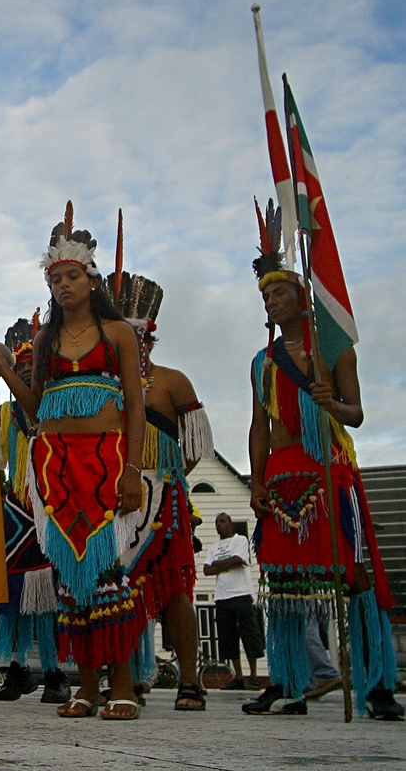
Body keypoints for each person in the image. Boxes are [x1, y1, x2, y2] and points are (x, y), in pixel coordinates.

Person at [0, 204, 145, 720]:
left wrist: (133, 471)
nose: (64, 286)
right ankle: (86, 687)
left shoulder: (118, 335)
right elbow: (34, 411)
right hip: (53, 462)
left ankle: (123, 686)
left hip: (106, 460)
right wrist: (6, 369)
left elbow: (136, 407)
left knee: (109, 573)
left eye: (73, 276)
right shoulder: (47, 339)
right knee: (70, 579)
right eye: (56, 279)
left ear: (92, 281)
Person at [245, 200, 401, 720]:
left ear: (303, 295)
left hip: (330, 471)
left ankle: (378, 684)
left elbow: (355, 415)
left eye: (281, 291)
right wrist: (255, 482)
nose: (272, 301)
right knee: (284, 582)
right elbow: (259, 427)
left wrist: (331, 402)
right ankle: (289, 681)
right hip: (282, 475)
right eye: (266, 295)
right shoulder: (262, 362)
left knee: (355, 577)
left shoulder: (335, 350)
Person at [103, 262, 213, 712]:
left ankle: (189, 680)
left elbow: (196, 443)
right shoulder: (103, 383)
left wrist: (167, 476)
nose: (136, 345)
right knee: (116, 590)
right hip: (115, 499)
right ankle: (128, 680)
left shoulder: (171, 381)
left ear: (149, 337)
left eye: (141, 337)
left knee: (173, 590)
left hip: (165, 499)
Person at [0, 326, 70, 705]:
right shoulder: (3, 414)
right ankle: (16, 668)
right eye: (17, 365)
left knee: (50, 597)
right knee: (15, 596)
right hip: (17, 513)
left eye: (30, 365)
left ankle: (55, 672)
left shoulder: (56, 405)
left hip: (54, 508)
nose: (23, 370)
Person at [203, 512, 263, 690]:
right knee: (228, 638)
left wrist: (218, 564)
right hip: (222, 596)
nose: (219, 525)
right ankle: (238, 676)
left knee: (249, 634)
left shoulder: (240, 540)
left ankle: (253, 675)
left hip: (241, 593)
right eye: (216, 522)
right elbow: (207, 569)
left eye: (222, 521)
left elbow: (239, 559)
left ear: (230, 524)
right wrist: (229, 564)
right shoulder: (214, 546)